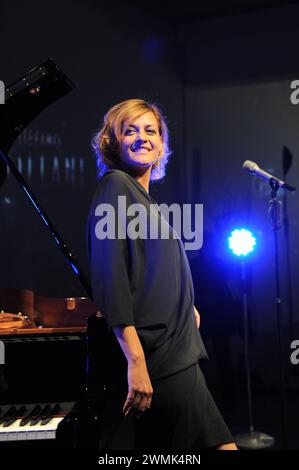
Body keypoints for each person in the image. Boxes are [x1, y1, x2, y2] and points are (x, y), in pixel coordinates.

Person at [86, 98, 237, 450]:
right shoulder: (116, 186)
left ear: (162, 145)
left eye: (150, 131)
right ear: (113, 142)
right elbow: (111, 281)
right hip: (161, 358)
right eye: (130, 131)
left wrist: (187, 307)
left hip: (174, 351)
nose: (142, 138)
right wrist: (136, 362)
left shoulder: (144, 198)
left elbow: (154, 273)